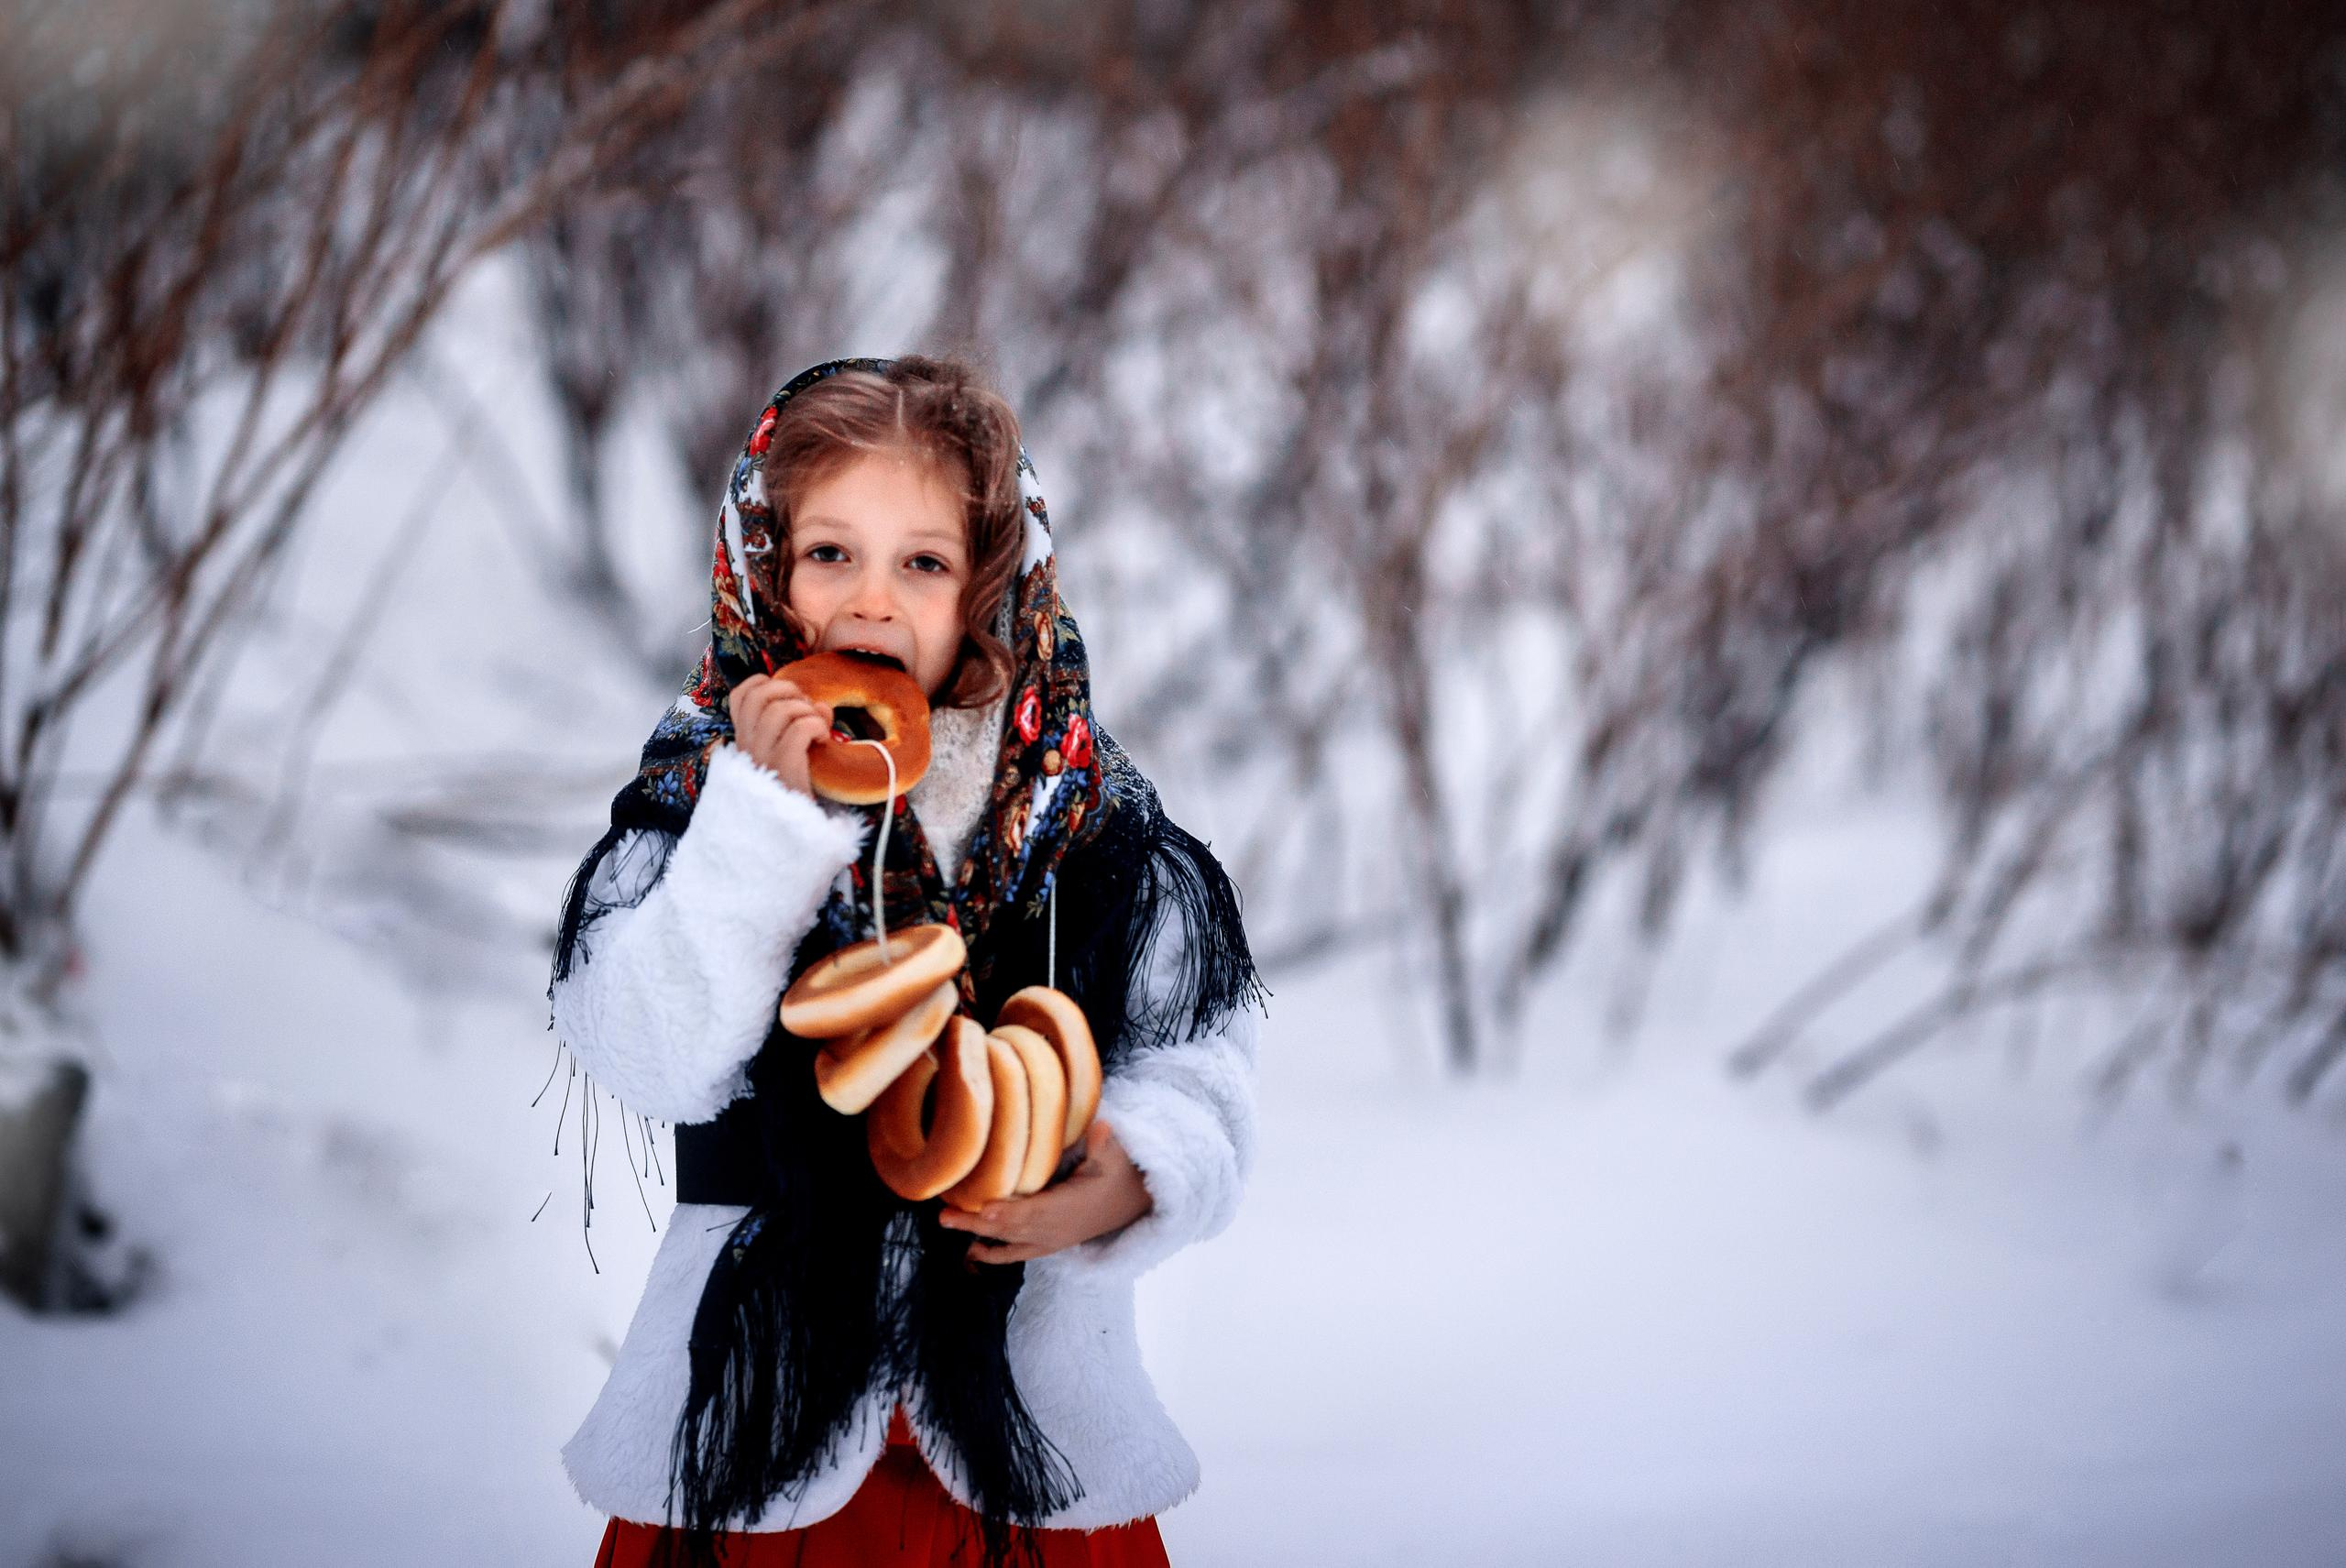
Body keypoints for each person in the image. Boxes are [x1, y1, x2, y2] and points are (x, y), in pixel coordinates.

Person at [547, 356, 1265, 1567]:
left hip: (1027, 1455)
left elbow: (1201, 1059)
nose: (872, 603)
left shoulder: (1088, 824)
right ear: (762, 573)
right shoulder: (692, 805)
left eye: (922, 563)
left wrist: (1135, 1175)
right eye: (831, 555)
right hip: (751, 1446)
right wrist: (754, 827)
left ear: (991, 586)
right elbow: (646, 1051)